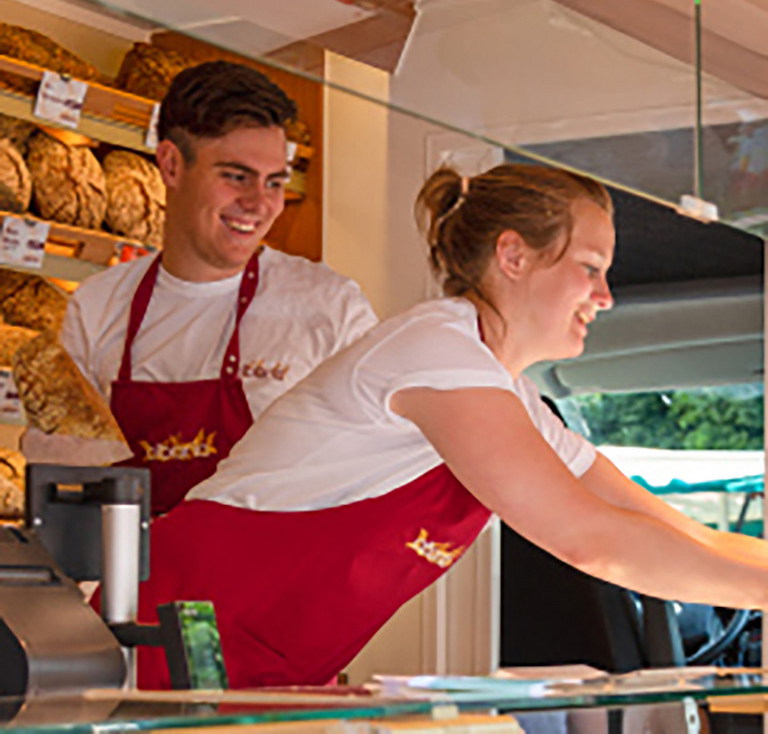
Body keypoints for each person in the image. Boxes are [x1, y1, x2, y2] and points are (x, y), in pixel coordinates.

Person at [129, 163, 768, 689]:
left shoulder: (507, 395)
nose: (605, 297)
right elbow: (589, 539)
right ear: (513, 255)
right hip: (163, 645)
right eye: (590, 268)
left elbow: (667, 525)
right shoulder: (437, 351)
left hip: (268, 672)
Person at [24, 61, 377, 515]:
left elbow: (374, 481)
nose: (260, 204)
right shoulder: (97, 306)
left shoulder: (329, 308)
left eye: (274, 182)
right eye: (236, 176)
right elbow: (75, 490)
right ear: (171, 164)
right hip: (139, 582)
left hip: (274, 583)